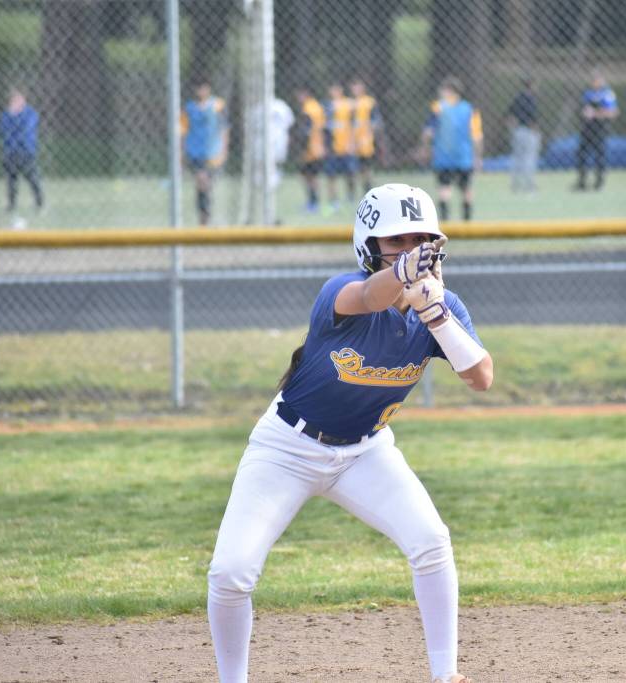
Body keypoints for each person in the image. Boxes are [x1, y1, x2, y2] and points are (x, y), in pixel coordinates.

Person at [206, 183, 492, 683]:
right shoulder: (340, 291)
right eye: (397, 242)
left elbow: (480, 377)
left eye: (420, 241)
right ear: (369, 246)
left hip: (366, 453)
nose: (412, 252)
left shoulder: (443, 305)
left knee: (431, 542)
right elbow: (369, 295)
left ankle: (446, 676)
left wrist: (436, 314)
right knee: (231, 574)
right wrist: (404, 276)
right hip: (287, 447)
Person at [422, 76, 483, 221]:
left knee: (444, 189)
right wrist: (478, 157)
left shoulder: (438, 107)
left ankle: (445, 223)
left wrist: (426, 148)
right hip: (464, 157)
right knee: (466, 190)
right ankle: (467, 223)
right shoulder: (469, 109)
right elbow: (477, 136)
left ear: (449, 90)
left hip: (443, 157)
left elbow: (428, 132)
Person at [180, 77, 229, 226]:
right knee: (202, 183)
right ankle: (204, 218)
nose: (201, 91)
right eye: (198, 87)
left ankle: (205, 218)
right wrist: (181, 152)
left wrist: (224, 149)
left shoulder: (218, 105)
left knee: (205, 184)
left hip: (213, 153)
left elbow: (224, 128)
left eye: (203, 87)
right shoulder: (188, 108)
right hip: (195, 152)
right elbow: (182, 131)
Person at [0, 87, 44, 219]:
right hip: (10, 151)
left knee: (32, 177)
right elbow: (3, 130)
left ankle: (39, 202)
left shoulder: (30, 113)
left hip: (26, 151)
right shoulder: (6, 115)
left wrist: (15, 122)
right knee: (11, 179)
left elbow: (26, 130)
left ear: (24, 100)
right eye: (14, 100)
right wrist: (12, 116)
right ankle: (11, 204)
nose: (17, 102)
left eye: (19, 99)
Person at [574, 70, 619, 192]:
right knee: (581, 154)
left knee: (600, 156)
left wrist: (595, 113)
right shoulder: (588, 94)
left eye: (597, 79)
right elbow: (583, 110)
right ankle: (582, 181)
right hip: (587, 129)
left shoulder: (607, 94)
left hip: (600, 129)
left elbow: (613, 112)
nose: (594, 82)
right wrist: (585, 113)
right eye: (593, 79)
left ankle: (599, 182)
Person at [324, 83, 358, 211]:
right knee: (331, 176)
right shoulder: (328, 106)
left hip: (346, 146)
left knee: (350, 173)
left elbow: (354, 124)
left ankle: (351, 197)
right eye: (332, 89)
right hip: (333, 148)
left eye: (336, 89)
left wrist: (353, 142)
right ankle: (334, 201)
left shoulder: (348, 104)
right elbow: (325, 128)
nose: (334, 92)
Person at [351, 77, 386, 191]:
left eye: (357, 86)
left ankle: (368, 189)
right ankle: (356, 191)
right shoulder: (352, 103)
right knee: (356, 168)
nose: (355, 89)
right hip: (353, 140)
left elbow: (377, 121)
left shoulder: (369, 102)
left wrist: (369, 129)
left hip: (366, 140)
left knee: (366, 167)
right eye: (354, 86)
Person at [295, 87, 326, 213]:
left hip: (309, 149)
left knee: (308, 177)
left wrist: (302, 149)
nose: (298, 98)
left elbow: (306, 131)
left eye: (299, 95)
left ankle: (313, 202)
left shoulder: (307, 109)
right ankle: (313, 202)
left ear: (305, 94)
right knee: (312, 177)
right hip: (318, 146)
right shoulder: (317, 107)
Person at [508, 78, 540, 193]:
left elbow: (510, 115)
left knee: (517, 157)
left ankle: (515, 184)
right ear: (532, 86)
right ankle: (529, 184)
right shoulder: (531, 99)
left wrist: (512, 128)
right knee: (529, 157)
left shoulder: (517, 98)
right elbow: (533, 117)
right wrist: (535, 130)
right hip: (529, 131)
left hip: (518, 130)